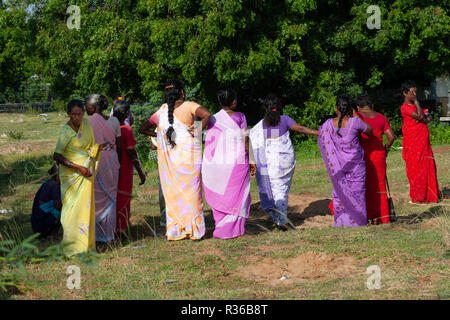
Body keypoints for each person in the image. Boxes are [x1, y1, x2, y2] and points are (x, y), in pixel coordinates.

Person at [148, 79, 211, 241]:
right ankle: (194, 231)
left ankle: (176, 230)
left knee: (174, 195)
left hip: (171, 164)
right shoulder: (189, 106)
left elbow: (143, 128)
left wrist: (161, 137)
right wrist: (197, 130)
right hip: (189, 161)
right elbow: (207, 114)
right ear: (182, 92)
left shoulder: (161, 111)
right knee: (192, 194)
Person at [249, 94, 319, 231]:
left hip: (269, 164)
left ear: (265, 108)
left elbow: (250, 143)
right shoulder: (285, 120)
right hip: (284, 162)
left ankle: (278, 219)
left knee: (274, 190)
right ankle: (281, 221)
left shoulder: (259, 127)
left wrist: (252, 161)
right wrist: (318, 132)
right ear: (279, 107)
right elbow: (301, 129)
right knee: (281, 190)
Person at [53, 99, 107, 256]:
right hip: (72, 177)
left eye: (79, 114)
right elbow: (57, 155)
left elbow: (92, 145)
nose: (77, 117)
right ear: (68, 114)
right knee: (71, 211)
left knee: (85, 209)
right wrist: (78, 167)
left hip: (86, 174)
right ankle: (72, 247)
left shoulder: (87, 125)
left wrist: (99, 148)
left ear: (83, 113)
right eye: (73, 114)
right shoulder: (65, 131)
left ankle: (86, 246)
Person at [202, 88, 256, 239]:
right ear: (234, 102)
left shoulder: (213, 118)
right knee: (238, 195)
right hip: (237, 163)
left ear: (220, 102)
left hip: (218, 163)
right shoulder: (240, 116)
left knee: (221, 193)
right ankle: (235, 231)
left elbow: (211, 140)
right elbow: (246, 139)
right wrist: (252, 159)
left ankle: (221, 229)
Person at [318, 96, 373, 227]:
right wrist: (356, 115)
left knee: (340, 194)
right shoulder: (355, 122)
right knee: (357, 195)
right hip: (356, 168)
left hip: (338, 168)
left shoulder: (327, 125)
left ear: (336, 109)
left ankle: (342, 223)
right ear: (349, 109)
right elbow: (370, 131)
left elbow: (322, 139)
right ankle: (357, 223)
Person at [86, 94, 121, 243]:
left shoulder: (88, 123)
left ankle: (95, 234)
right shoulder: (114, 121)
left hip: (97, 161)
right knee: (110, 197)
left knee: (96, 196)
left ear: (93, 107)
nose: (85, 108)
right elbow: (118, 145)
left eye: (86, 105)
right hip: (112, 161)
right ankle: (108, 235)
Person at [355, 94, 395, 224]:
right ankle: (383, 218)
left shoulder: (358, 117)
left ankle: (367, 217)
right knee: (380, 186)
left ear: (358, 107)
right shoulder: (381, 117)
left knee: (365, 186)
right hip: (379, 155)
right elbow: (391, 137)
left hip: (363, 156)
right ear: (372, 105)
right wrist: (385, 149)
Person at [400, 80, 441, 204]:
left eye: (415, 92)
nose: (414, 95)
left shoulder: (414, 107)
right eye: (411, 92)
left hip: (423, 141)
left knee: (427, 165)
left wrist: (423, 117)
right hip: (413, 142)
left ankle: (431, 195)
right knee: (416, 167)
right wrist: (418, 106)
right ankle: (419, 196)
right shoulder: (405, 107)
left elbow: (427, 117)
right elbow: (420, 117)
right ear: (405, 93)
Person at [113, 99, 146, 238]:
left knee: (113, 197)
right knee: (123, 197)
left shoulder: (109, 126)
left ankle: (111, 228)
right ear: (127, 114)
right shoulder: (126, 129)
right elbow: (131, 152)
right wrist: (140, 171)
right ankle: (120, 230)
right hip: (124, 167)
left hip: (111, 167)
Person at [139, 121, 166, 228]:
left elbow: (153, 147)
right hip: (178, 163)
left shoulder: (159, 127)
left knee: (163, 192)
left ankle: (165, 219)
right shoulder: (183, 123)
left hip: (163, 163)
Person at [31, 164, 62, 240]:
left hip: (37, 224)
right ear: (58, 175)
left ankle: (47, 233)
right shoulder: (55, 185)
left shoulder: (47, 183)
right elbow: (58, 206)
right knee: (64, 210)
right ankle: (51, 234)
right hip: (42, 225)